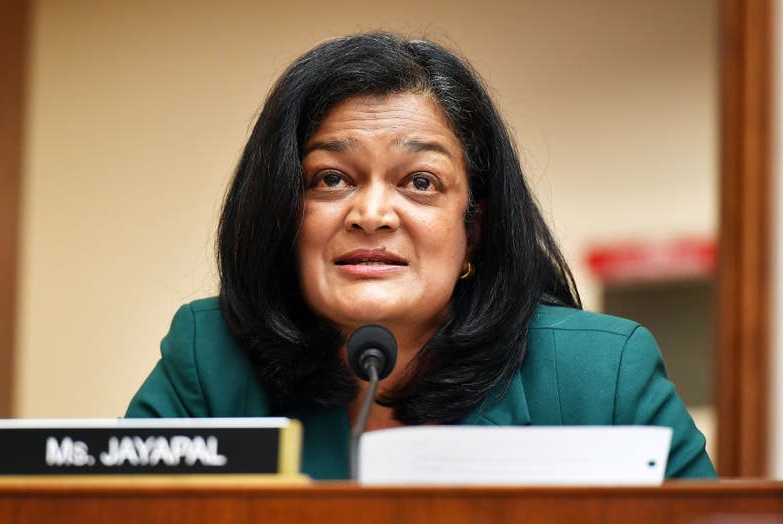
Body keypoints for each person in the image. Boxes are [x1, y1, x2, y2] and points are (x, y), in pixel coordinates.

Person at [126, 32, 716, 479]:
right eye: (331, 179)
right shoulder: (209, 360)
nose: (371, 214)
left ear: (473, 228)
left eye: (420, 182)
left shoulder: (601, 375)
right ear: (282, 212)